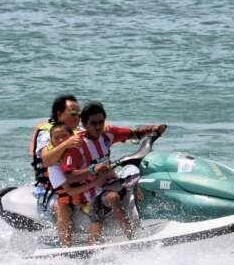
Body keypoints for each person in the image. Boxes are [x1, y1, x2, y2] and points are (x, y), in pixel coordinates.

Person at [78, 101, 167, 241]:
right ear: (84, 124)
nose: (98, 126)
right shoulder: (78, 144)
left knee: (136, 181)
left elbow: (135, 134)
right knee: (113, 197)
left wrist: (154, 129)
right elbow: (69, 173)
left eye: (101, 122)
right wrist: (92, 170)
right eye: (93, 123)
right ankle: (131, 238)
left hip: (109, 184)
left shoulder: (108, 134)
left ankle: (144, 222)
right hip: (90, 191)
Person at [31, 94, 87, 247]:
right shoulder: (46, 133)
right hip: (51, 191)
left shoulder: (80, 132)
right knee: (63, 205)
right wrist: (66, 143)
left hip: (77, 182)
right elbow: (46, 159)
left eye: (79, 114)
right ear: (59, 114)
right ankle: (66, 248)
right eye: (73, 113)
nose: (77, 117)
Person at [42, 123, 107, 246]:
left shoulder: (85, 151)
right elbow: (69, 191)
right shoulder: (54, 166)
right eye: (57, 138)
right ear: (52, 142)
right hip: (72, 197)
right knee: (63, 207)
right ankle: (67, 245)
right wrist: (95, 182)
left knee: (100, 204)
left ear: (72, 136)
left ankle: (93, 244)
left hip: (89, 193)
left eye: (64, 136)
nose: (61, 140)